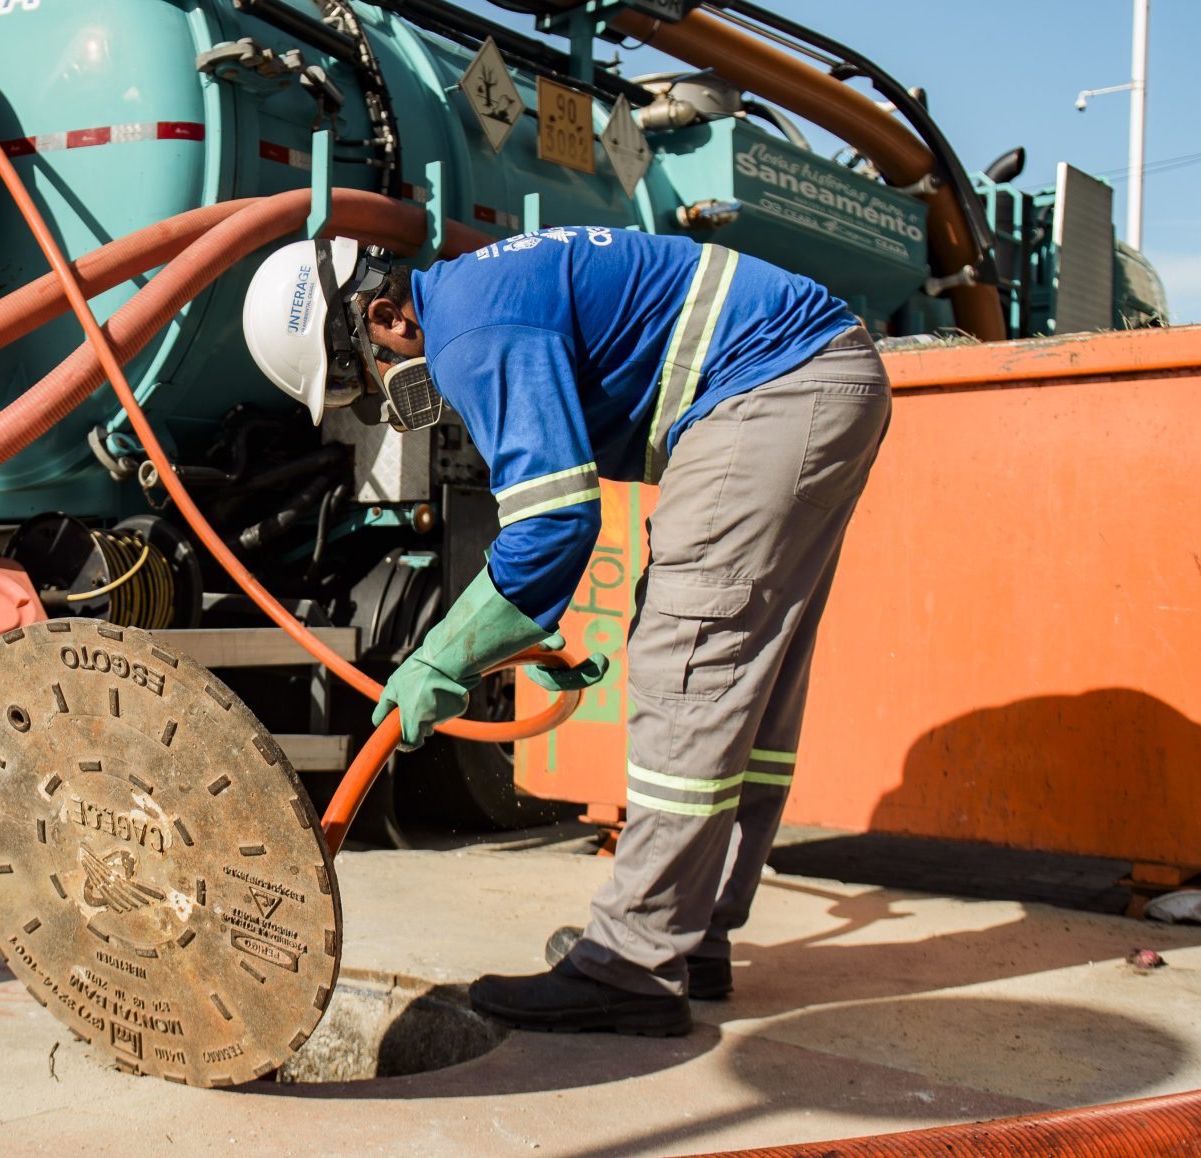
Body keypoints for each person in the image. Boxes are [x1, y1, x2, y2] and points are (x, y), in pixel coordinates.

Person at [241, 225, 890, 1036]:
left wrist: (441, 658)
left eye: (364, 382)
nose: (381, 401)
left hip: (770, 387)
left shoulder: (471, 331)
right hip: (815, 376)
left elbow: (553, 525)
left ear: (383, 319)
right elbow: (561, 507)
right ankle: (690, 936)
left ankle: (633, 963)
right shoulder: (484, 293)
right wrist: (511, 631)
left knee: (686, 668)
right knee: (738, 676)